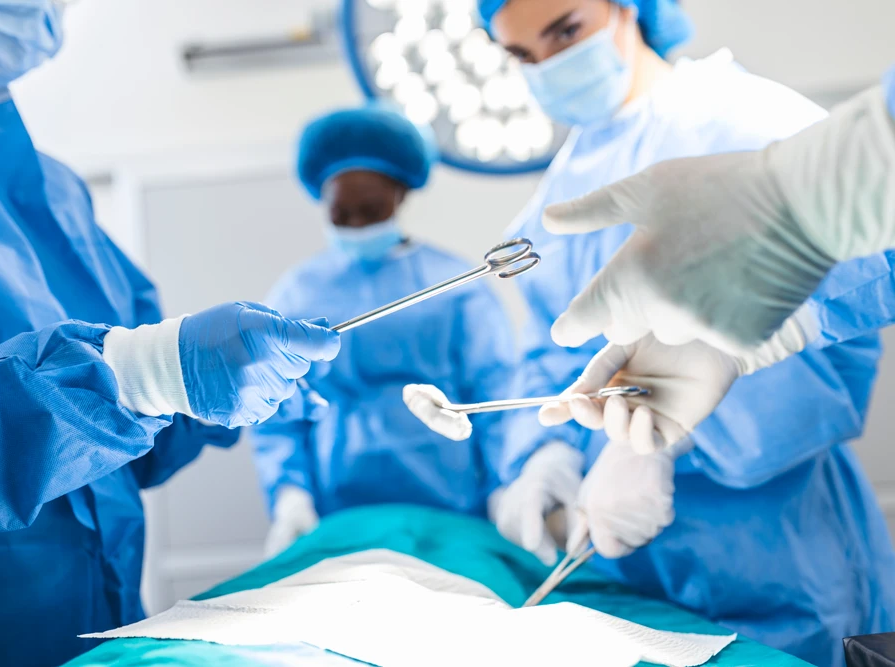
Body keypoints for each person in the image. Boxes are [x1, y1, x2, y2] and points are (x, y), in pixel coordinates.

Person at [0, 2, 339, 666]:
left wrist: (215, 393)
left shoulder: (59, 189)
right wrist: (143, 373)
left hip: (106, 609)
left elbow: (132, 440)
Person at [478, 0, 895, 664]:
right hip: (624, 562)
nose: (552, 66)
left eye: (565, 31)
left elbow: (843, 326)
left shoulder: (745, 119)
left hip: (777, 550)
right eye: (525, 56)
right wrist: (543, 455)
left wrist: (667, 444)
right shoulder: (556, 195)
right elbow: (542, 355)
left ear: (626, 9)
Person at [539, 68, 895, 454]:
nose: (545, 66)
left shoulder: (733, 109)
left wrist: (788, 200)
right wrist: (782, 324)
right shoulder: (570, 171)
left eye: (566, 30)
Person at [251, 106, 516, 557]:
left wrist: (507, 486)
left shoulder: (456, 287)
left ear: (400, 195)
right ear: (323, 205)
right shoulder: (297, 294)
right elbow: (278, 410)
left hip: (453, 514)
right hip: (337, 519)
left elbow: (496, 398)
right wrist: (289, 495)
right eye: (342, 214)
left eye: (371, 210)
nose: (357, 225)